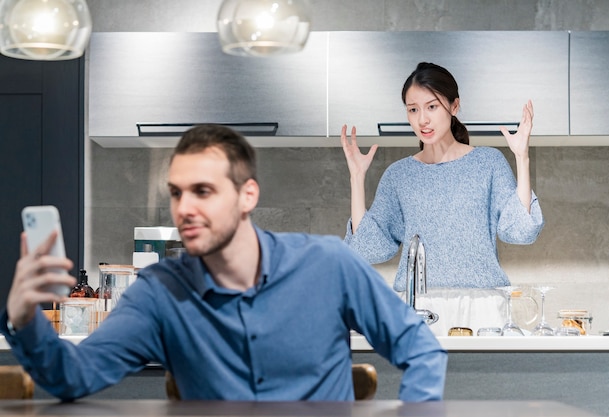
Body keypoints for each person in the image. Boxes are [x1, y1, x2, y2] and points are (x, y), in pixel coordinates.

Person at [1, 124, 447, 402]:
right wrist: (24, 319)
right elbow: (73, 378)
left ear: (247, 195)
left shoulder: (328, 265)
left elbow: (420, 349)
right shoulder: (158, 292)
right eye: (177, 193)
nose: (184, 208)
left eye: (203, 191)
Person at [341, 62, 544, 291]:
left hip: (481, 308)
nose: (422, 120)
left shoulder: (488, 163)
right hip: (418, 311)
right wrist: (357, 178)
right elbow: (369, 248)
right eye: (413, 109)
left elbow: (520, 231)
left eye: (432, 107)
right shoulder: (399, 176)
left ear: (454, 106)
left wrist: (522, 157)